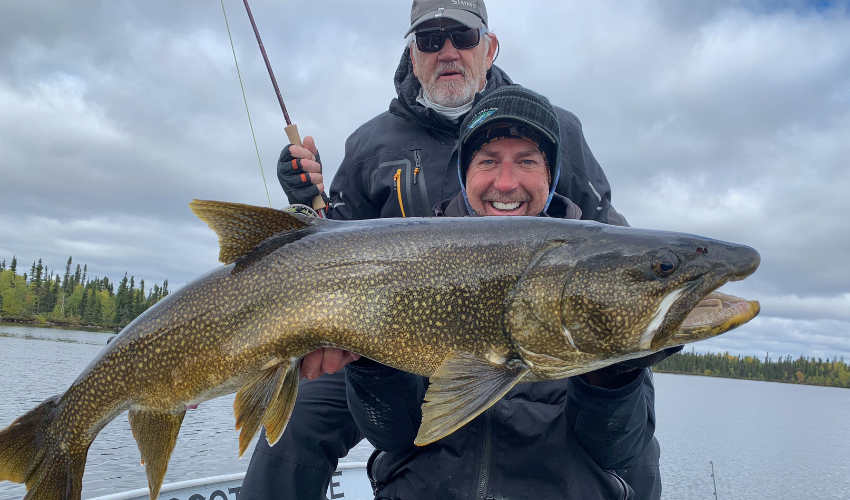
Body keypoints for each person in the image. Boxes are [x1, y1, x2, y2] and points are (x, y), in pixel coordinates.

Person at [240, 1, 638, 498]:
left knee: (625, 402)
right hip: (388, 334)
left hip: (512, 322)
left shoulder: (555, 128)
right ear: (412, 54)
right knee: (295, 427)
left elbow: (605, 237)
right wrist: (306, 204)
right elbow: (338, 240)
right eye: (430, 39)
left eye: (463, 37)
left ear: (488, 48)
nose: (447, 50)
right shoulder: (370, 143)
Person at [344, 86, 672, 500]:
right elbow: (392, 436)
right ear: (466, 173)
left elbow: (618, 450)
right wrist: (369, 363)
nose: (505, 181)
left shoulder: (595, 270)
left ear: (550, 176)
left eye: (527, 161)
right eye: (488, 161)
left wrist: (614, 377)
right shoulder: (406, 265)